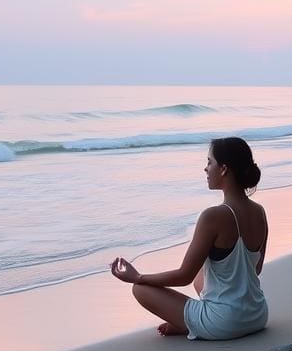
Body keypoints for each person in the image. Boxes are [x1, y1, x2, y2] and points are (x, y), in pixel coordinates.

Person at [110, 136, 269, 339]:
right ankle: (190, 321)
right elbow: (256, 268)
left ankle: (189, 324)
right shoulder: (259, 211)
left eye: (209, 162)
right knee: (200, 277)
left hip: (225, 324)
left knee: (140, 289)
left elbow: (183, 276)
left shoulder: (213, 216)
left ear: (223, 169)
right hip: (257, 315)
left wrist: (138, 277)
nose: (205, 169)